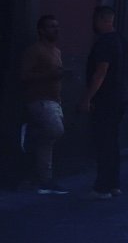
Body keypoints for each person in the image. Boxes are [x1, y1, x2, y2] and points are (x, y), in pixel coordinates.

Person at [80, 5, 128, 199]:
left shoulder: (104, 43)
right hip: (120, 97)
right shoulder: (120, 39)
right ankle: (114, 184)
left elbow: (101, 72)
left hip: (106, 99)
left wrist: (87, 98)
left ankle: (102, 188)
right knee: (112, 141)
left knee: (103, 143)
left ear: (100, 19)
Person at [20, 15, 66, 195]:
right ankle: (31, 134)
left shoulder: (57, 51)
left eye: (57, 26)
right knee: (54, 131)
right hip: (39, 100)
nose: (56, 29)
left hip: (54, 100)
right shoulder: (34, 50)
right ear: (41, 30)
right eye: (51, 26)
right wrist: (50, 75)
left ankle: (44, 179)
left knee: (47, 142)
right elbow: (24, 75)